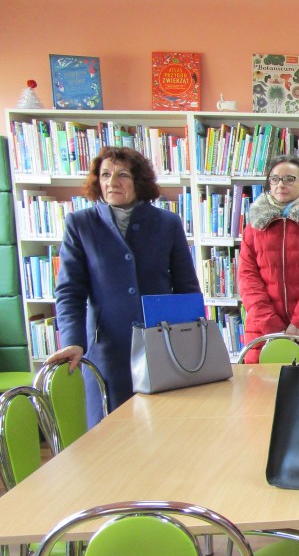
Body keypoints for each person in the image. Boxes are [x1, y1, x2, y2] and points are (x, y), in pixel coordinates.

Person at [49, 146, 201, 427]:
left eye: (123, 175)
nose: (112, 182)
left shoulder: (167, 223)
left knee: (167, 428)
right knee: (111, 433)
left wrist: (190, 342)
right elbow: (69, 291)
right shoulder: (81, 224)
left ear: (138, 181)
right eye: (105, 175)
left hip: (162, 344)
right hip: (107, 349)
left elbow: (187, 288)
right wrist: (73, 340)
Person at [238, 154, 299, 363]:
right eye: (275, 179)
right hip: (263, 332)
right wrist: (272, 327)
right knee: (262, 383)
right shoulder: (254, 226)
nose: (280, 184)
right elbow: (247, 278)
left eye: (289, 179)